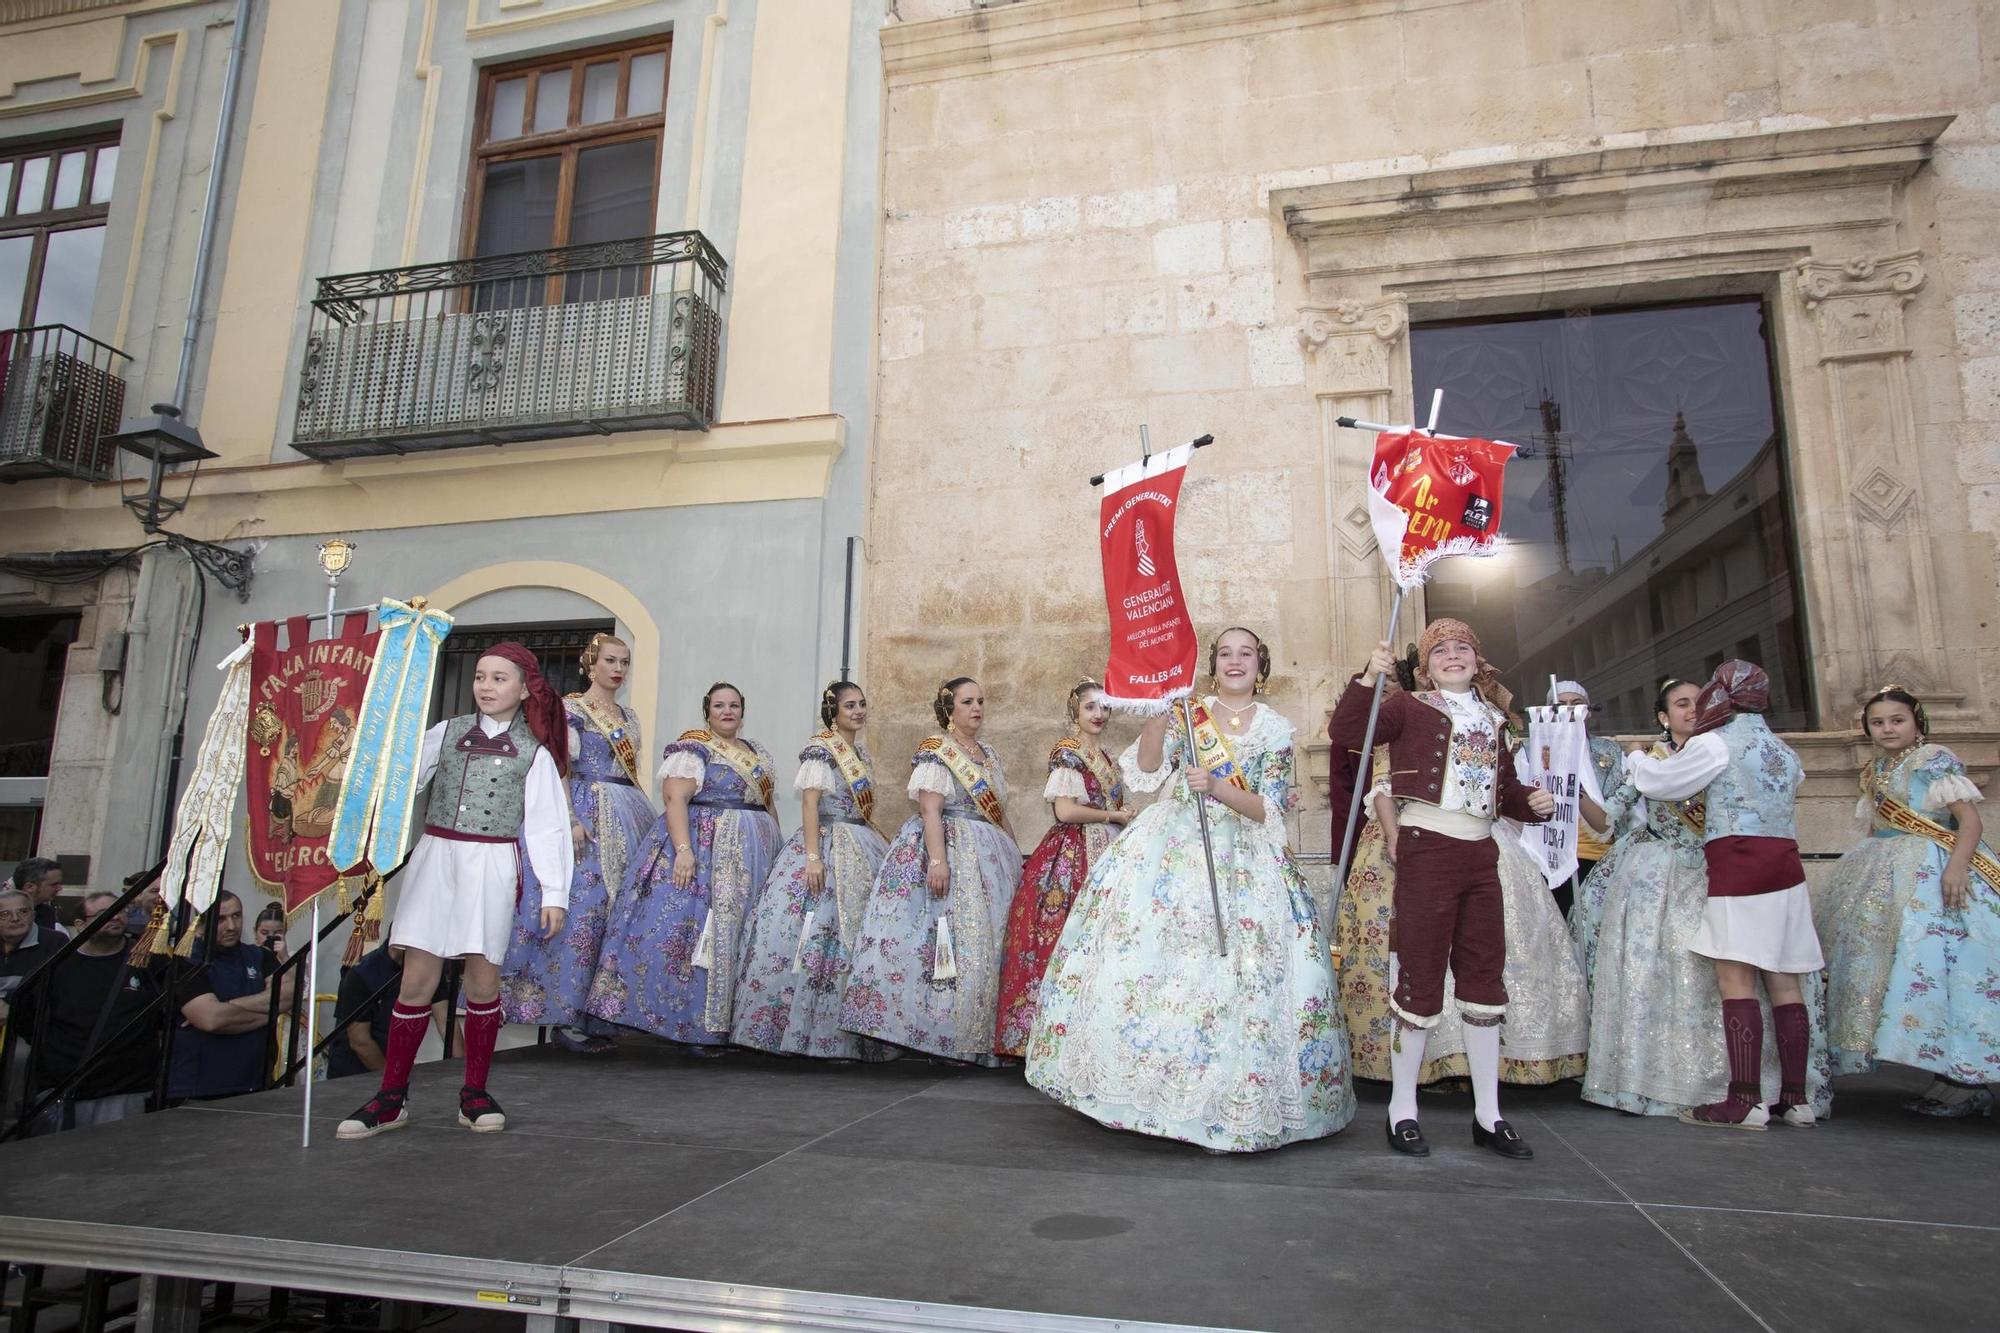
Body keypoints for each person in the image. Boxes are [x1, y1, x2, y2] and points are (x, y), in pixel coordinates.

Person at [1027, 629, 1357, 1152]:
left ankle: (1229, 1101)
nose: (1234, 661)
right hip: (1172, 849)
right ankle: (1148, 1097)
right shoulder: (1190, 712)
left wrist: (1219, 787)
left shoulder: (1274, 728)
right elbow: (1147, 768)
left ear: (1260, 666)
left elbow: (1268, 809)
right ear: (1212, 665)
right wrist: (1161, 710)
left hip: (1245, 860)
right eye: (1224, 653)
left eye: (1245, 653)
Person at [1330, 620, 1556, 1160]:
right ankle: (1402, 1109)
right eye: (1440, 651)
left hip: (1481, 855)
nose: (1453, 656)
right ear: (1426, 666)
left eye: (1462, 649)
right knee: (1420, 977)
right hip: (1426, 849)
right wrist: (1368, 678)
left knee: (1484, 980)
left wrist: (1531, 803)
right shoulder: (1407, 707)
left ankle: (1489, 1115)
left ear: (1478, 661)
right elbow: (1349, 731)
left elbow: (1503, 790)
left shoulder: (1494, 718)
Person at [335, 643, 572, 1141]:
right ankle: (391, 1097)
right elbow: (400, 782)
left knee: (483, 983)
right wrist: (372, 755)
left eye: (499, 678)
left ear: (524, 689)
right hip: (436, 859)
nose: (485, 686)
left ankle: (475, 1094)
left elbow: (548, 826)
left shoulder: (534, 753)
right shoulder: (446, 732)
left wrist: (555, 892)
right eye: (480, 676)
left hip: (491, 865)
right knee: (416, 981)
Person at [1571, 680, 1831, 1118]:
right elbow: (1605, 819)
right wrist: (1570, 787)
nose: (1694, 709)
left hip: (1724, 876)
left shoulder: (1712, 749)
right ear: (1663, 716)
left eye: (1702, 701)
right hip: (1672, 880)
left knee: (1740, 979)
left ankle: (1750, 1093)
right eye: (1682, 703)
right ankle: (1747, 1091)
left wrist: (1635, 756)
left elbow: (1661, 779)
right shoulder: (1756, 749)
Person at [1335, 741, 1587, 1091]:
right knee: (1418, 964)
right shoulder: (1402, 724)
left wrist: (1529, 802)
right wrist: (1395, 837)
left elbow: (1503, 790)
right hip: (1415, 838)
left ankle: (1487, 1087)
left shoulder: (1487, 722)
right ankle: (1411, 1089)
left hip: (1478, 841)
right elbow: (1383, 785)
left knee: (1484, 962)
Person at [1817, 685, 1998, 1118]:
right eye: (1877, 723)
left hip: (1934, 870)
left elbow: (1969, 821)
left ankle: (1968, 1081)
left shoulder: (1933, 759)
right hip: (1884, 869)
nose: (1887, 729)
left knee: (1946, 967)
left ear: (1917, 722)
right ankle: (1947, 1077)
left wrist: (1956, 868)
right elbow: (1875, 825)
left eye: (1897, 720)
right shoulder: (1876, 768)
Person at [587, 682, 781, 1048]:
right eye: (719, 705)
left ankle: (730, 1025)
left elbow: (766, 803)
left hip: (751, 855)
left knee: (740, 935)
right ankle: (691, 1026)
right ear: (707, 711)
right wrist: (683, 851)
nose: (727, 711)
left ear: (743, 711)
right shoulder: (694, 748)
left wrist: (777, 848)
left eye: (734, 705)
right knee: (693, 933)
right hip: (707, 852)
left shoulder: (756, 752)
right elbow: (675, 799)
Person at [841, 677, 1023, 1065]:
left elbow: (998, 811)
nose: (976, 708)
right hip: (947, 846)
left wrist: (1014, 853)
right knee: (942, 941)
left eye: (980, 701)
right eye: (967, 702)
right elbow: (930, 810)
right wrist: (938, 861)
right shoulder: (936, 752)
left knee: (987, 943)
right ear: (949, 710)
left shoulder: (988, 754)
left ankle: (978, 1036)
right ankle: (940, 1036)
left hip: (989, 854)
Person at [502, 633, 655, 1051]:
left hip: (628, 814)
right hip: (586, 811)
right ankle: (565, 1015)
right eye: (610, 660)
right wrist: (570, 818)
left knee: (618, 914)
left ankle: (600, 1012)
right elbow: (561, 766)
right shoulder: (572, 709)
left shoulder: (629, 716)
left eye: (624, 662)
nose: (618, 669)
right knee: (583, 909)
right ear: (591, 664)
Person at [732, 681, 893, 1059]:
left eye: (861, 704)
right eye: (849, 705)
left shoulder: (861, 754)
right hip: (826, 843)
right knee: (811, 931)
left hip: (860, 845)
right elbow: (809, 805)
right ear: (833, 712)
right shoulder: (821, 751)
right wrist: (813, 857)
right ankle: (794, 1030)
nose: (858, 711)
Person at [992, 679, 1132, 1057]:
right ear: (1075, 711)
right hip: (1073, 852)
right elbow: (1065, 811)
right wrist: (1113, 816)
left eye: (1105, 707)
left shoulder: (1106, 757)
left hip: (1107, 847)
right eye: (1090, 707)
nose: (1099, 714)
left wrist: (1121, 815)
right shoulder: (1067, 753)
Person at [12, 890, 159, 1132]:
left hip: (124, 1089)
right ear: (80, 924)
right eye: (104, 913)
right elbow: (27, 1019)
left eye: (120, 910)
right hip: (64, 1089)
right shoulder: (56, 965)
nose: (115, 917)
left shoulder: (148, 960)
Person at [169, 891, 292, 1102]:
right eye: (221, 919)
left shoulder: (259, 955)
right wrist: (269, 1012)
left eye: (237, 916)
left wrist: (228, 1006)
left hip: (256, 1083)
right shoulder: (186, 961)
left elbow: (289, 994)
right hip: (198, 1090)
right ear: (201, 924)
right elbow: (212, 1020)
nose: (232, 926)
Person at [326, 942, 453, 1080]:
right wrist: (393, 1081)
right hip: (352, 1073)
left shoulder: (427, 969)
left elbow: (446, 1022)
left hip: (394, 1067)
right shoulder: (361, 974)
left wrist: (462, 1071)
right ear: (397, 942)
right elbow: (360, 1041)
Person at [1554, 681, 1623, 919]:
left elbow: (1620, 807)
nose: (1569, 710)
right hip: (1554, 859)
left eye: (1576, 703)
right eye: (1561, 705)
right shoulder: (1531, 751)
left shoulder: (1609, 751)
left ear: (1589, 711)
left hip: (1603, 856)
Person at [12, 858, 66, 938]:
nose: (59, 888)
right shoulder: (5, 913)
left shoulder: (48, 913)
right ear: (29, 887)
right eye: (54, 884)